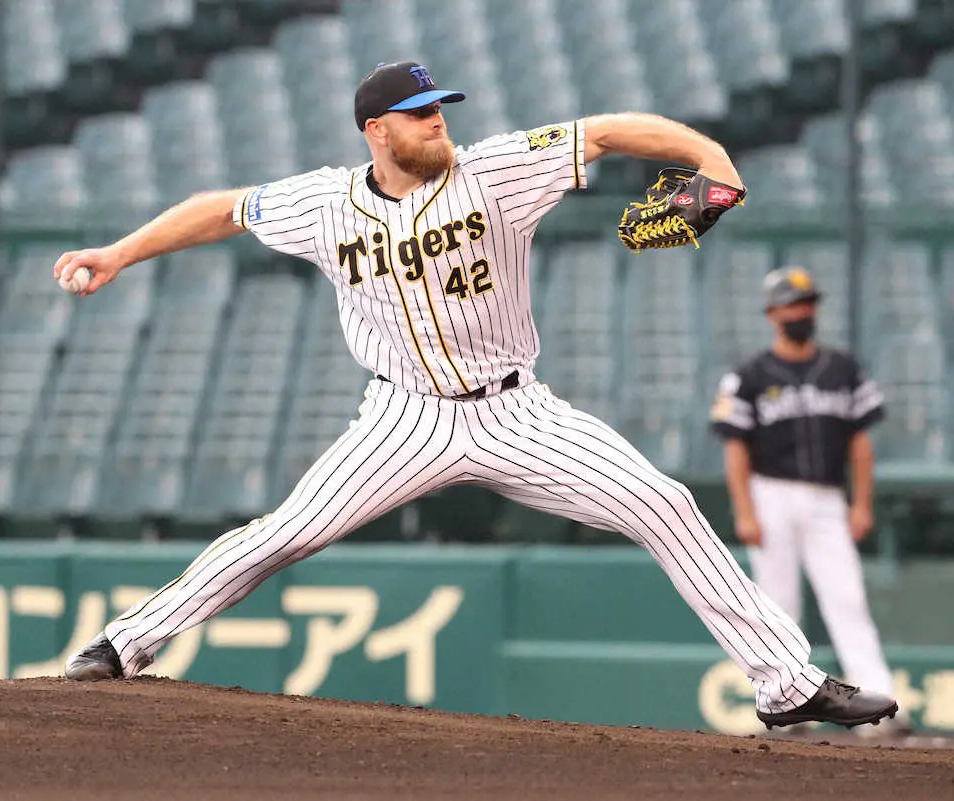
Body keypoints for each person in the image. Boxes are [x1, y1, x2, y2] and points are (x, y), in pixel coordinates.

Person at [56, 61, 898, 730]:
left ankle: (785, 683)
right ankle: (125, 643)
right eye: (419, 113)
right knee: (285, 532)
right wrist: (119, 253)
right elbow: (224, 211)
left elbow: (609, 131)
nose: (437, 121)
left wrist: (709, 159)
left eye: (440, 109)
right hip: (403, 416)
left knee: (664, 502)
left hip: (517, 411)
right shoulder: (323, 203)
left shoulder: (496, 170)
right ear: (376, 130)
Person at [710, 266, 907, 732]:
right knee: (777, 606)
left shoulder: (842, 368)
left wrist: (862, 503)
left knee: (848, 600)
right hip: (771, 495)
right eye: (792, 305)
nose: (801, 312)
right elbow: (735, 447)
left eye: (807, 303)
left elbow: (860, 443)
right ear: (772, 313)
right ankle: (788, 704)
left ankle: (881, 709)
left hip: (826, 500)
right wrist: (745, 511)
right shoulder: (749, 375)